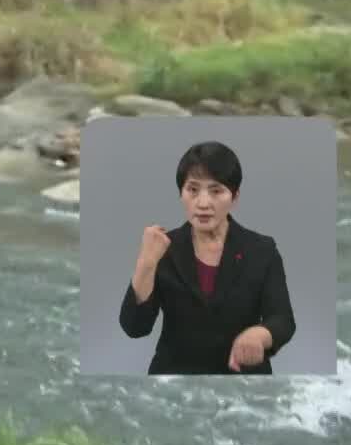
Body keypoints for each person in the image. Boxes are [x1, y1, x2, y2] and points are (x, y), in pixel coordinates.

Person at [119, 141, 296, 374]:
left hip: (243, 382)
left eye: (216, 191)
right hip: (174, 383)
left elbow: (283, 320)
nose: (203, 203)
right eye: (192, 189)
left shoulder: (262, 249)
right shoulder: (162, 248)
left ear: (234, 196)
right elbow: (135, 327)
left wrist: (260, 336)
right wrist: (146, 263)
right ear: (181, 193)